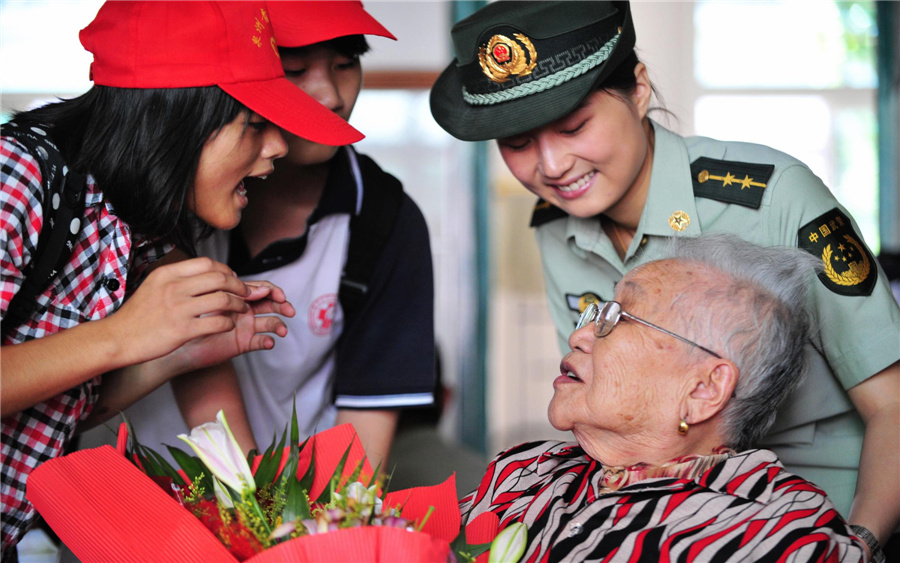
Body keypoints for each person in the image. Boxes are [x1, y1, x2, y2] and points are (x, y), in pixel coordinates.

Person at [430, 0, 899, 556]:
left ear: (639, 89)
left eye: (574, 126)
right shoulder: (556, 227)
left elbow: (892, 404)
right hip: (667, 523)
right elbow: (599, 407)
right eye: (518, 143)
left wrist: (860, 543)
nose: (551, 166)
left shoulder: (772, 197)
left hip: (826, 516)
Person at [0, 1, 364, 558]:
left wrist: (174, 355)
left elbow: (43, 414)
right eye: (256, 125)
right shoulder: (16, 178)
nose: (278, 149)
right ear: (175, 118)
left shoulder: (137, 223)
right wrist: (123, 334)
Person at [116, 0, 436, 470]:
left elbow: (363, 440)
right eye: (294, 69)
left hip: (289, 511)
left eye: (346, 63)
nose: (331, 96)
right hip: (130, 503)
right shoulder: (152, 202)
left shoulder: (383, 219)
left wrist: (304, 530)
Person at [460, 234, 869, 562]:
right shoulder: (523, 472)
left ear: (703, 389)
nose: (579, 335)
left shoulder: (778, 534)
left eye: (618, 318)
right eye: (597, 314)